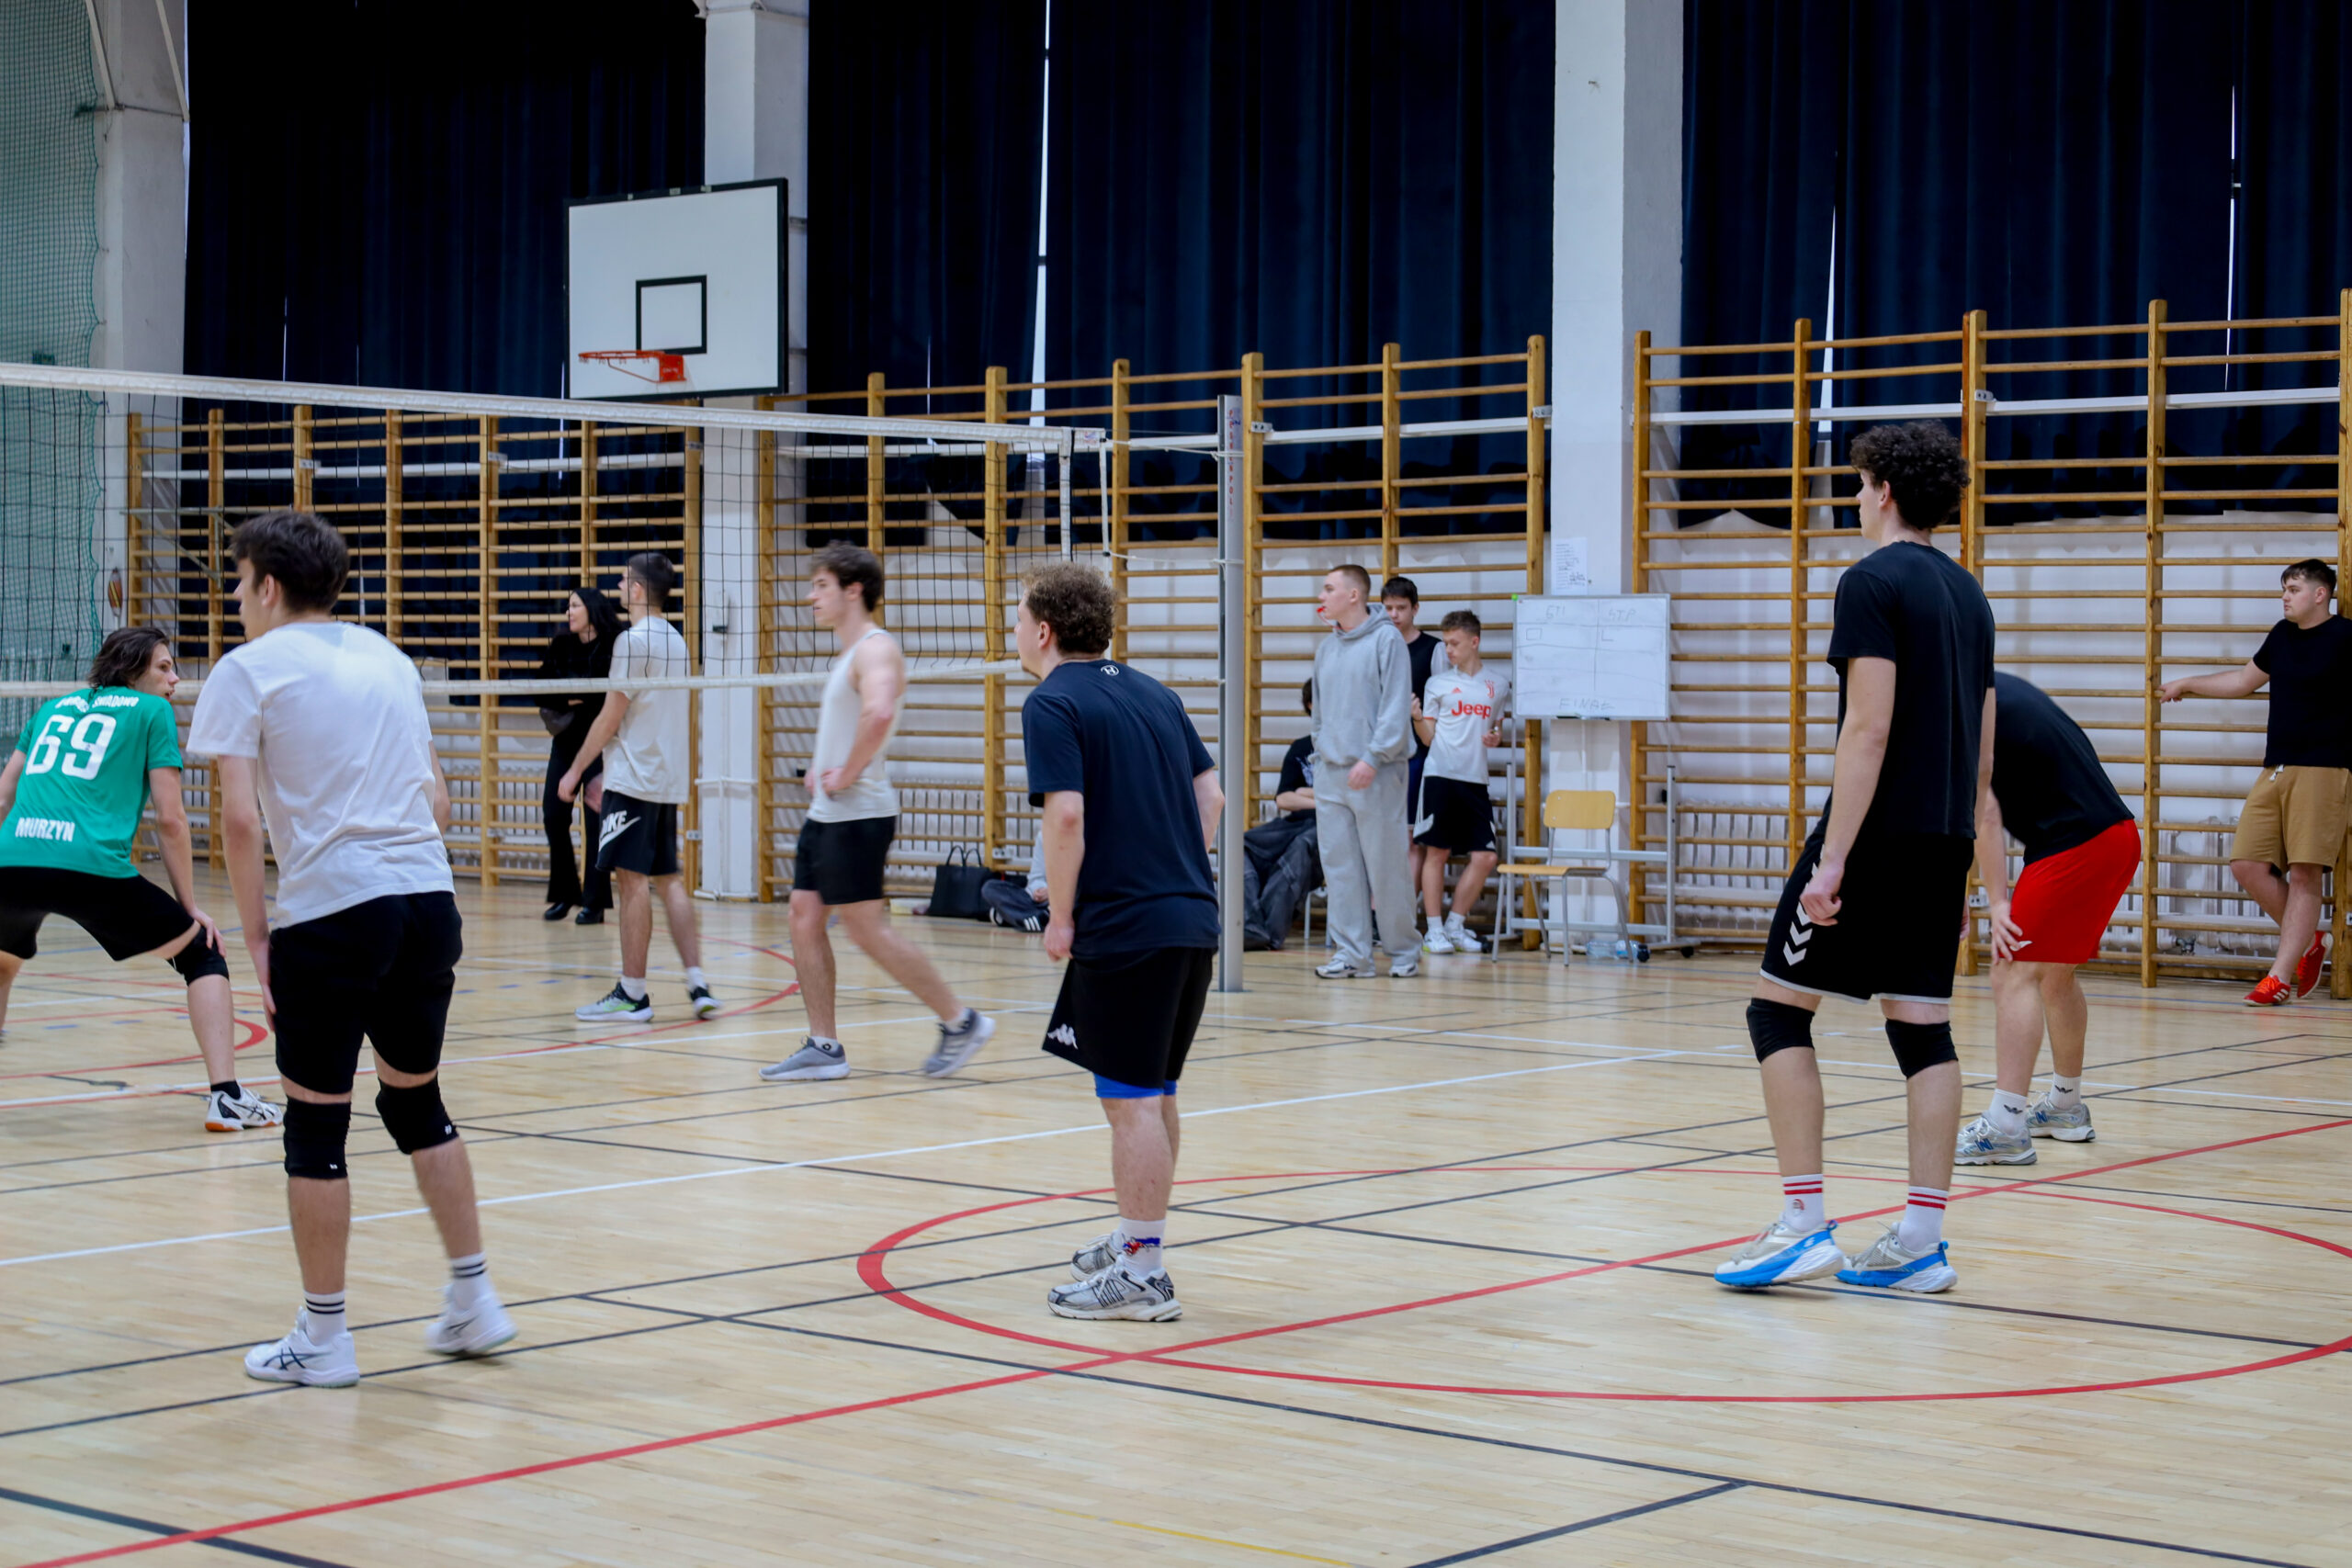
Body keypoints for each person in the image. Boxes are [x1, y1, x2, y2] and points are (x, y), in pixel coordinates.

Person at [187, 509, 513, 1386]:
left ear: (268, 585)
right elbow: (437, 799)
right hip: (427, 901)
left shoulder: (246, 669)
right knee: (416, 1103)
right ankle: (475, 1297)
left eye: (238, 581)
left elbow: (241, 820)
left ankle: (324, 1338)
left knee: (316, 1125)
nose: (235, 597)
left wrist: (258, 935)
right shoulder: (388, 658)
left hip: (333, 911)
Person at [1713, 422, 1993, 1296]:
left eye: (1860, 482)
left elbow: (1866, 727)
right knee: (1923, 1032)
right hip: (1943, 838)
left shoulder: (1870, 581)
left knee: (1776, 1013)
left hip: (1873, 836)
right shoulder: (1970, 594)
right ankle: (1920, 1241)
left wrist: (1832, 859)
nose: (1856, 496)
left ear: (1883, 489)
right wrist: (1968, 864)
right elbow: (1981, 751)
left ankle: (1803, 1223)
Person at [1014, 561, 1221, 1321]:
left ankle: (1142, 1271)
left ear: (1044, 630)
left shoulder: (1052, 701)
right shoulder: (1154, 693)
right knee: (1154, 1092)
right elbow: (1212, 798)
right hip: (1189, 917)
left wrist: (1062, 914)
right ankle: (1140, 1237)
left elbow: (1065, 816)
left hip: (1126, 927)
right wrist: (1170, 873)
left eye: (1018, 618)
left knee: (1129, 1101)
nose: (1014, 630)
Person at [0, 626, 279, 1134]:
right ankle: (227, 1098)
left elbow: (4, 795)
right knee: (202, 953)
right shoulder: (151, 712)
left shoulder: (50, 709)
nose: (175, 679)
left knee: (4, 955)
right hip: (88, 865)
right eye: (164, 668)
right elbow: (171, 820)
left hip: (12, 856)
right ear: (131, 671)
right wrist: (189, 907)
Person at [757, 544, 994, 1081]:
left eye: (821, 585)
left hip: (858, 815)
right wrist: (824, 770)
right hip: (829, 815)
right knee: (803, 915)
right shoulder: (849, 655)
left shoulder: (876, 648)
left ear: (853, 590)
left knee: (865, 930)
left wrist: (846, 771)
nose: (810, 596)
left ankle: (961, 1021)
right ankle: (824, 1046)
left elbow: (880, 712)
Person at [1954, 673, 2140, 1164]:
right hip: (2115, 835)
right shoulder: (1995, 687)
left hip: (2075, 845)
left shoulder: (1962, 704)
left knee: (2011, 970)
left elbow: (1984, 813)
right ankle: (2065, 1106)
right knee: (2055, 976)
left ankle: (2006, 1125)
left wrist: (1997, 903)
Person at [2160, 559, 2352, 1006]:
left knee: (2304, 873)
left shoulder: (2346, 637)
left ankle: (2278, 978)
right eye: (2283, 589)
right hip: (2276, 768)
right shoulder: (2281, 635)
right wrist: (2188, 683)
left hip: (2324, 769)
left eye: (2293, 589)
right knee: (2246, 864)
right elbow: (2244, 680)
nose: (2285, 596)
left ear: (2320, 594)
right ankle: (2309, 941)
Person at [561, 554, 718, 1024]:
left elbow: (611, 716)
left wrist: (576, 771)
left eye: (623, 580)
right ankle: (698, 983)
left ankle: (632, 994)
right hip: (665, 777)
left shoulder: (632, 641)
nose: (617, 585)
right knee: (668, 879)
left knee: (631, 882)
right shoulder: (676, 640)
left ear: (636, 590)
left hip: (635, 778)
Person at [1311, 564, 1419, 978]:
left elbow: (1396, 707)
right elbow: (1318, 715)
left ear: (1353, 595)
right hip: (1332, 774)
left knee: (1386, 866)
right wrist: (1323, 754)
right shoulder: (1327, 649)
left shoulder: (1386, 641)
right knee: (1340, 868)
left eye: (1328, 589)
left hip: (1378, 773)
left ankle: (1403, 951)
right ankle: (1352, 954)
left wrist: (1372, 758)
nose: (1321, 597)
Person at [1412, 611, 1509, 955]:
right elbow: (1427, 738)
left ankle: (1455, 925)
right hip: (1440, 775)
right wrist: (1417, 717)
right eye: (1446, 643)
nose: (1448, 650)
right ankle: (1434, 930)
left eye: (1454, 643)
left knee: (1485, 857)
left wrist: (1495, 737)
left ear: (1474, 642)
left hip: (1475, 781)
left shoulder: (1498, 685)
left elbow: (1495, 728)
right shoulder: (1437, 684)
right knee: (1436, 852)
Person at [537, 586, 620, 925]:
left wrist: (574, 694)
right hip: (567, 743)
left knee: (596, 822)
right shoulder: (562, 644)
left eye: (574, 606)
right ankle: (564, 894)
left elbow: (610, 700)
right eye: (568, 607)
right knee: (553, 815)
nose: (568, 612)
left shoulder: (615, 644)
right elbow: (542, 691)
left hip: (601, 743)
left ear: (591, 609)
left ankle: (595, 901)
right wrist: (576, 696)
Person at [1382, 576, 1450, 896]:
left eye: (1401, 608)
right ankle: (1378, 909)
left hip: (1417, 754)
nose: (1394, 614)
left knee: (1410, 837)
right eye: (1388, 608)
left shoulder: (1433, 649)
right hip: (1381, 752)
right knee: (1381, 837)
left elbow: (1444, 704)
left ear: (1415, 609)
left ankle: (1403, 911)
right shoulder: (1378, 645)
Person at [1242, 679, 1321, 952]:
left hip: (1331, 831)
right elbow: (1284, 799)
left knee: (1300, 847)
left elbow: (1346, 798)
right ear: (1310, 705)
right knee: (1241, 844)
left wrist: (1306, 793)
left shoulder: (1349, 747)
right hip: (1293, 825)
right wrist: (1321, 797)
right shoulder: (1300, 748)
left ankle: (1270, 933)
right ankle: (1251, 926)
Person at [982, 839, 1051, 932]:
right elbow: (1036, 878)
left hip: (1062, 903)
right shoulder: (1042, 837)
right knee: (990, 888)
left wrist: (1053, 893)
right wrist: (1039, 891)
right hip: (1040, 902)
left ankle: (1013, 917)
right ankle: (1039, 918)